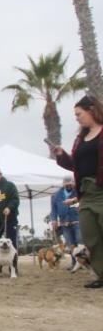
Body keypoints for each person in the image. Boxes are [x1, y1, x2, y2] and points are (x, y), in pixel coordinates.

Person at [50, 95, 103, 288]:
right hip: (86, 194)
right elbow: (75, 166)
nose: (77, 118)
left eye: (79, 114)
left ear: (92, 110)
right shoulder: (81, 139)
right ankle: (101, 275)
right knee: (90, 237)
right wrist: (61, 156)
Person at [0, 167, 20, 273]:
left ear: (1, 174)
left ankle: (13, 268)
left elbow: (15, 199)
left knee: (12, 245)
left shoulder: (9, 186)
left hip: (9, 220)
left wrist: (9, 207)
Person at [50, 176, 81, 269]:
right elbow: (54, 209)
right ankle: (74, 263)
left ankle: (82, 262)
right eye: (66, 184)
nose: (68, 185)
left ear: (73, 183)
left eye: (70, 183)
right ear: (63, 184)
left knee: (79, 242)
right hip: (64, 223)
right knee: (71, 244)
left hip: (77, 222)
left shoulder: (78, 193)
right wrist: (54, 219)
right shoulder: (56, 195)